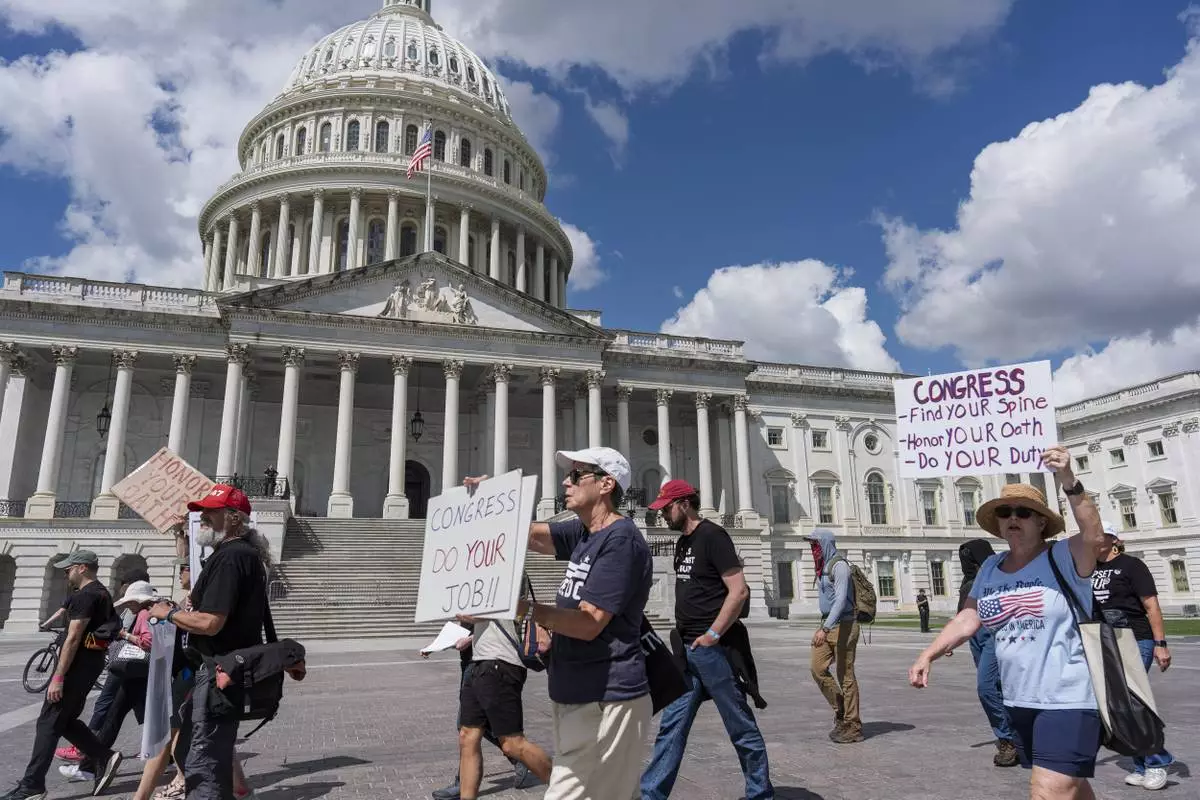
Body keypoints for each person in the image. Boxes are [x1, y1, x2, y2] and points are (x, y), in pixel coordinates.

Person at [910, 446, 1106, 800]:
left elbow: (1094, 534)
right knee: (1071, 786)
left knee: (1048, 791)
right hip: (1020, 699)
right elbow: (969, 618)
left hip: (1068, 696)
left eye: (1024, 512)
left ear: (1041, 521)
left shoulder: (1063, 555)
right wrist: (929, 653)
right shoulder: (990, 568)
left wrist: (1068, 480)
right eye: (1005, 512)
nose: (1013, 517)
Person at [466, 446, 654, 800]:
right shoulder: (585, 532)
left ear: (606, 484)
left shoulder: (620, 541)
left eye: (576, 475)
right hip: (575, 691)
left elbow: (588, 624)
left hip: (607, 696)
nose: (565, 483)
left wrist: (525, 610)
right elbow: (530, 534)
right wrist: (489, 501)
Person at [640, 479, 773, 800]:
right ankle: (650, 794)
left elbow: (738, 590)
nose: (663, 516)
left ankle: (760, 794)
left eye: (667, 508)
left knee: (740, 726)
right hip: (686, 652)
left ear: (684, 503)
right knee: (672, 726)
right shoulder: (684, 541)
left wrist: (713, 634)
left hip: (713, 651)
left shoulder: (713, 536)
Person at [149, 484, 268, 800]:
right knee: (203, 751)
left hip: (219, 671)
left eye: (210, 512)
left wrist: (169, 613)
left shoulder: (230, 558)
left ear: (233, 519)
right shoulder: (243, 555)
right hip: (223, 670)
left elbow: (210, 623)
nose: (201, 517)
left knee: (205, 764)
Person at [1, 551, 125, 800]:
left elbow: (73, 637)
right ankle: (103, 756)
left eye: (68, 569)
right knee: (64, 721)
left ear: (81, 568)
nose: (65, 573)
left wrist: (58, 677)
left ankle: (32, 785)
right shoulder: (99, 592)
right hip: (89, 664)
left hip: (76, 666)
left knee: (48, 722)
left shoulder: (87, 595)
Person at [1091, 523, 1174, 791]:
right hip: (1106, 640)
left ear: (1114, 539)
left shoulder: (1131, 566)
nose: (1093, 539)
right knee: (1119, 704)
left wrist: (1160, 643)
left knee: (1132, 698)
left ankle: (1157, 762)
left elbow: (1151, 606)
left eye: (1099, 535)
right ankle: (1141, 765)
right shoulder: (1090, 568)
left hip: (1136, 638)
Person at [60, 581, 161, 786]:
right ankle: (93, 764)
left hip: (136, 673)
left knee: (115, 717)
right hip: (140, 675)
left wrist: (125, 635)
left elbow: (149, 642)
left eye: (131, 601)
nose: (129, 605)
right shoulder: (151, 612)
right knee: (136, 717)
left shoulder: (143, 614)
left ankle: (91, 765)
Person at [426, 623, 535, 800]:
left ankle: (548, 771)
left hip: (490, 661)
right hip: (469, 660)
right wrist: (437, 645)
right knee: (471, 728)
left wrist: (471, 639)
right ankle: (519, 758)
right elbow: (466, 624)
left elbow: (504, 622)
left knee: (467, 726)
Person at [451, 615, 552, 800]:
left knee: (512, 744)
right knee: (467, 737)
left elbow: (481, 613)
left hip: (500, 662)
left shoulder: (509, 584)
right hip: (477, 661)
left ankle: (571, 787)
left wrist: (460, 611)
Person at [958, 539, 1018, 768]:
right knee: (996, 687)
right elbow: (963, 609)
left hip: (995, 635)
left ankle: (1007, 738)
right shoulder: (970, 581)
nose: (967, 562)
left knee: (987, 686)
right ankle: (1011, 735)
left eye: (969, 557)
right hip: (975, 638)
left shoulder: (997, 577)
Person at [804, 528, 863, 743]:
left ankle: (853, 725)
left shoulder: (839, 567)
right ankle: (841, 708)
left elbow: (839, 601)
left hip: (844, 626)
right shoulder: (822, 566)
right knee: (817, 668)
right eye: (811, 545)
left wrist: (825, 628)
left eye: (815, 544)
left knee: (845, 676)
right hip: (827, 623)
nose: (812, 549)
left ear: (825, 544)